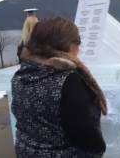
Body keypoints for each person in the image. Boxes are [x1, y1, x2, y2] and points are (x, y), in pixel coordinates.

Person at [11, 17, 107, 158]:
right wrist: (100, 146)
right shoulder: (68, 80)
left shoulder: (21, 74)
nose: (79, 48)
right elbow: (84, 133)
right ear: (70, 45)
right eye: (78, 42)